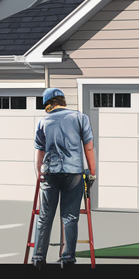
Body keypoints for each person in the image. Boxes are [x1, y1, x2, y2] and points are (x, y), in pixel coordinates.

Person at [32, 87, 96, 268]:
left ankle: (38, 258)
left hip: (50, 173)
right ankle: (67, 258)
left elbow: (40, 151)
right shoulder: (80, 118)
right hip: (73, 173)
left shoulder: (43, 122)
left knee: (45, 217)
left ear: (48, 105)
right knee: (70, 216)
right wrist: (92, 172)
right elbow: (88, 147)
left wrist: (39, 174)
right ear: (63, 101)